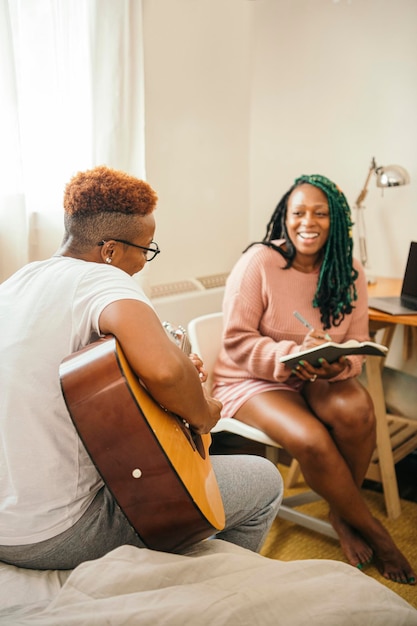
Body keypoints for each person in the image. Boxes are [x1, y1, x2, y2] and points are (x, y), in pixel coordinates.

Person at [0, 165, 283, 570]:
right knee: (264, 480)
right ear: (110, 250)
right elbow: (167, 372)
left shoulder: (17, 282)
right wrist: (205, 414)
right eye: (145, 249)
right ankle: (215, 593)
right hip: (55, 532)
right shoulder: (103, 281)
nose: (144, 263)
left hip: (7, 521)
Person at [212, 173, 416, 586]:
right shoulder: (260, 262)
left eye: (320, 213)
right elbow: (235, 342)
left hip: (313, 377)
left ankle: (342, 513)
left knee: (359, 409)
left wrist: (335, 365)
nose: (308, 221)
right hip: (251, 379)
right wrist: (289, 355)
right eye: (298, 212)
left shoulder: (350, 271)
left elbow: (357, 342)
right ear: (284, 218)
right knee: (311, 439)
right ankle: (375, 531)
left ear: (336, 219)